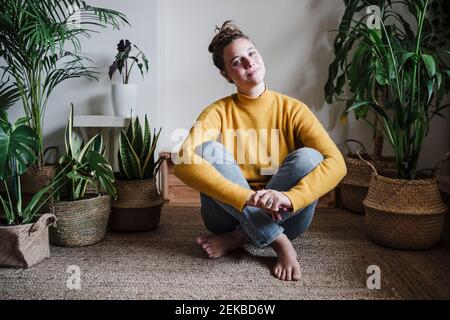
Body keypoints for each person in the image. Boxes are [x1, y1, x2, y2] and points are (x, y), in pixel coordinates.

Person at [173, 21, 347, 281]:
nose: (248, 63)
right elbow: (182, 160)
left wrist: (289, 199)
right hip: (226, 215)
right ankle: (280, 243)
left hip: (287, 215)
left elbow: (338, 164)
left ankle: (238, 237)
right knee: (209, 150)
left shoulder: (294, 109)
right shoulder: (218, 111)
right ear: (226, 74)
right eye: (236, 62)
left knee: (310, 156)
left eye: (252, 53)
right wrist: (246, 197)